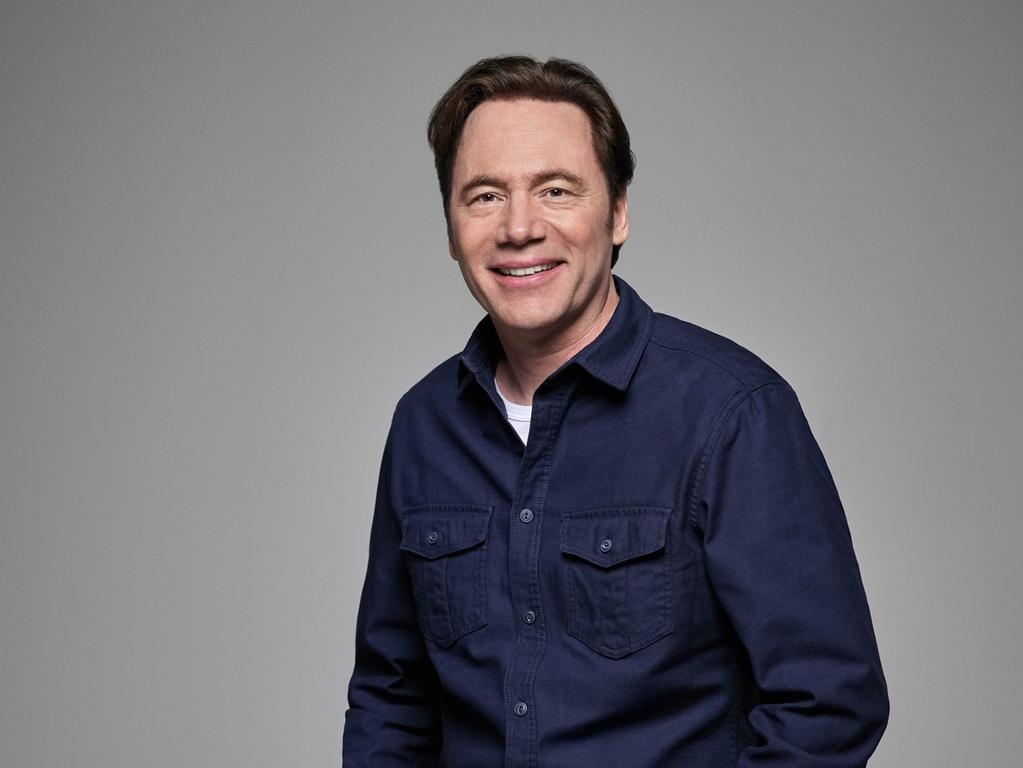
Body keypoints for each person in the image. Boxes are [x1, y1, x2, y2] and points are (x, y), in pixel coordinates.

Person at [342, 55, 889, 767]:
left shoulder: (730, 413)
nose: (518, 227)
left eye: (556, 190)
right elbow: (392, 697)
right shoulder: (424, 424)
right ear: (451, 227)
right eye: (484, 195)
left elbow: (829, 701)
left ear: (618, 211)